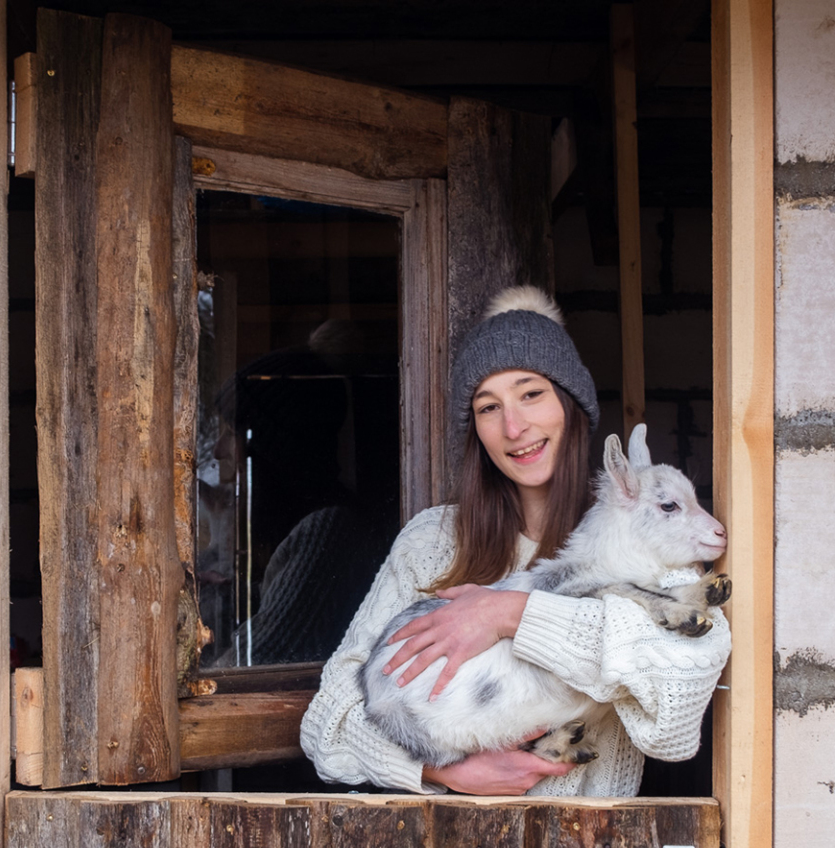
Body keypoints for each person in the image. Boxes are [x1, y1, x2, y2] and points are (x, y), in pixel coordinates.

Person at [300, 287, 732, 796]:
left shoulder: (648, 539)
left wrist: (511, 615)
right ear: (476, 431)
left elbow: (676, 719)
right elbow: (327, 720)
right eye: (488, 407)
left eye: (531, 394)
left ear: (570, 404)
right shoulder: (431, 543)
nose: (513, 426)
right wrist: (441, 772)